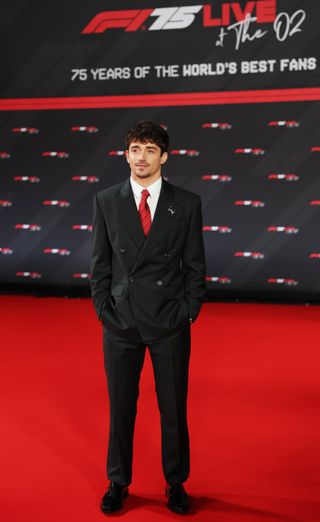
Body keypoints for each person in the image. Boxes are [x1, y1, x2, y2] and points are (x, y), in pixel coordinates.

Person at [90, 120, 206, 514]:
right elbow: (100, 264)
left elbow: (195, 266)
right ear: (126, 155)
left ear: (164, 157)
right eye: (135, 149)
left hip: (169, 320)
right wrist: (104, 310)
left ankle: (176, 483)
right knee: (121, 407)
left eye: (150, 150)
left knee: (173, 408)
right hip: (120, 322)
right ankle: (117, 482)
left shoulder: (186, 203)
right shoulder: (106, 200)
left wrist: (188, 312)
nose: (142, 157)